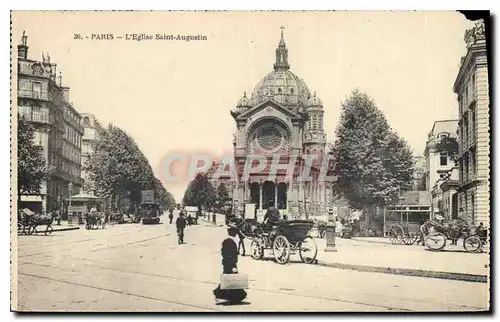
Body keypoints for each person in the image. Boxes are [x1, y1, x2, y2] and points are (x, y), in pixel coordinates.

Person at [213, 224, 247, 304]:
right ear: (232, 233)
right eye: (235, 232)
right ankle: (234, 297)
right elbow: (229, 255)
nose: (236, 234)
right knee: (232, 280)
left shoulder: (228, 241)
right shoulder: (229, 242)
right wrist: (233, 266)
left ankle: (220, 293)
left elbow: (223, 253)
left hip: (228, 263)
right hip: (230, 264)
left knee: (229, 279)